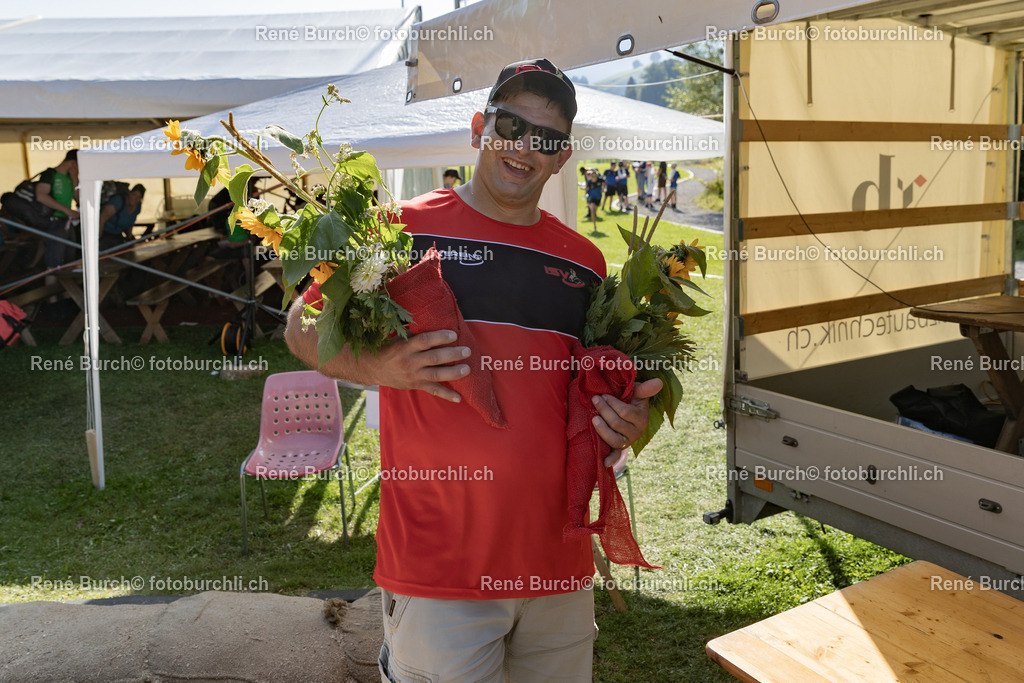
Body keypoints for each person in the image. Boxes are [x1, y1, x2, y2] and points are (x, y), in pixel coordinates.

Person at [285, 58, 661, 682]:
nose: (524, 147)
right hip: (440, 569)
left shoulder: (585, 262)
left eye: (546, 139)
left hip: (558, 566)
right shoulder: (397, 231)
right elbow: (301, 323)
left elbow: (590, 392)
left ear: (562, 158)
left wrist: (625, 416)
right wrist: (380, 366)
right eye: (511, 126)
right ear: (479, 129)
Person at [35, 149, 80, 270]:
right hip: (54, 220)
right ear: (73, 163)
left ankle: (65, 283)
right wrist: (67, 210)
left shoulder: (71, 177)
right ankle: (51, 282)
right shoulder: (50, 174)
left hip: (67, 222)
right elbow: (41, 195)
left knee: (69, 260)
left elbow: (79, 199)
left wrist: (75, 178)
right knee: (54, 263)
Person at [99, 184, 145, 250]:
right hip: (104, 233)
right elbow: (101, 219)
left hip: (117, 234)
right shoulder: (117, 201)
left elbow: (130, 222)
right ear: (129, 193)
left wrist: (130, 238)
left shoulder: (138, 207)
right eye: (134, 195)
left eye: (139, 197)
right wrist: (98, 240)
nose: (135, 199)